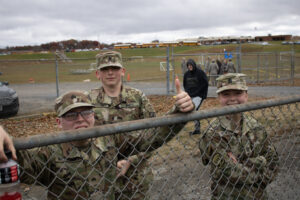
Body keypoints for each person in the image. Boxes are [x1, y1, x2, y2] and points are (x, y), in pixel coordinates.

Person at [89, 50, 195, 199]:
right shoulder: (88, 101)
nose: (110, 72)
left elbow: (154, 134)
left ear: (123, 71)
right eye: (105, 69)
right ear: (97, 74)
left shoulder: (137, 98)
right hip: (101, 179)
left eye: (115, 68)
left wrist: (131, 160)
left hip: (135, 177)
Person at [0, 91, 131, 199]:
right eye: (71, 115)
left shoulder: (107, 139)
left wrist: (129, 160)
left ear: (93, 116)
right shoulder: (49, 152)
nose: (80, 119)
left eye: (86, 112)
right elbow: (21, 160)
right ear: (59, 122)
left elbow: (146, 139)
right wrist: (4, 138)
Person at [199, 73, 279, 199]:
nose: (232, 99)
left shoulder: (257, 128)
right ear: (219, 97)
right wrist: (260, 163)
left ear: (246, 95)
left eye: (238, 93)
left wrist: (241, 165)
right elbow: (230, 173)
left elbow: (273, 165)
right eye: (226, 94)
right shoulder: (213, 134)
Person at [183, 58, 208, 135]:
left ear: (194, 65)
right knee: (193, 111)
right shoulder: (186, 74)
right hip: (190, 96)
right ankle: (197, 129)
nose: (190, 67)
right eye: (188, 66)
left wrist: (200, 92)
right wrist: (188, 92)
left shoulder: (200, 73)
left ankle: (197, 129)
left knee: (194, 109)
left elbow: (205, 83)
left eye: (191, 65)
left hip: (198, 96)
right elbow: (185, 84)